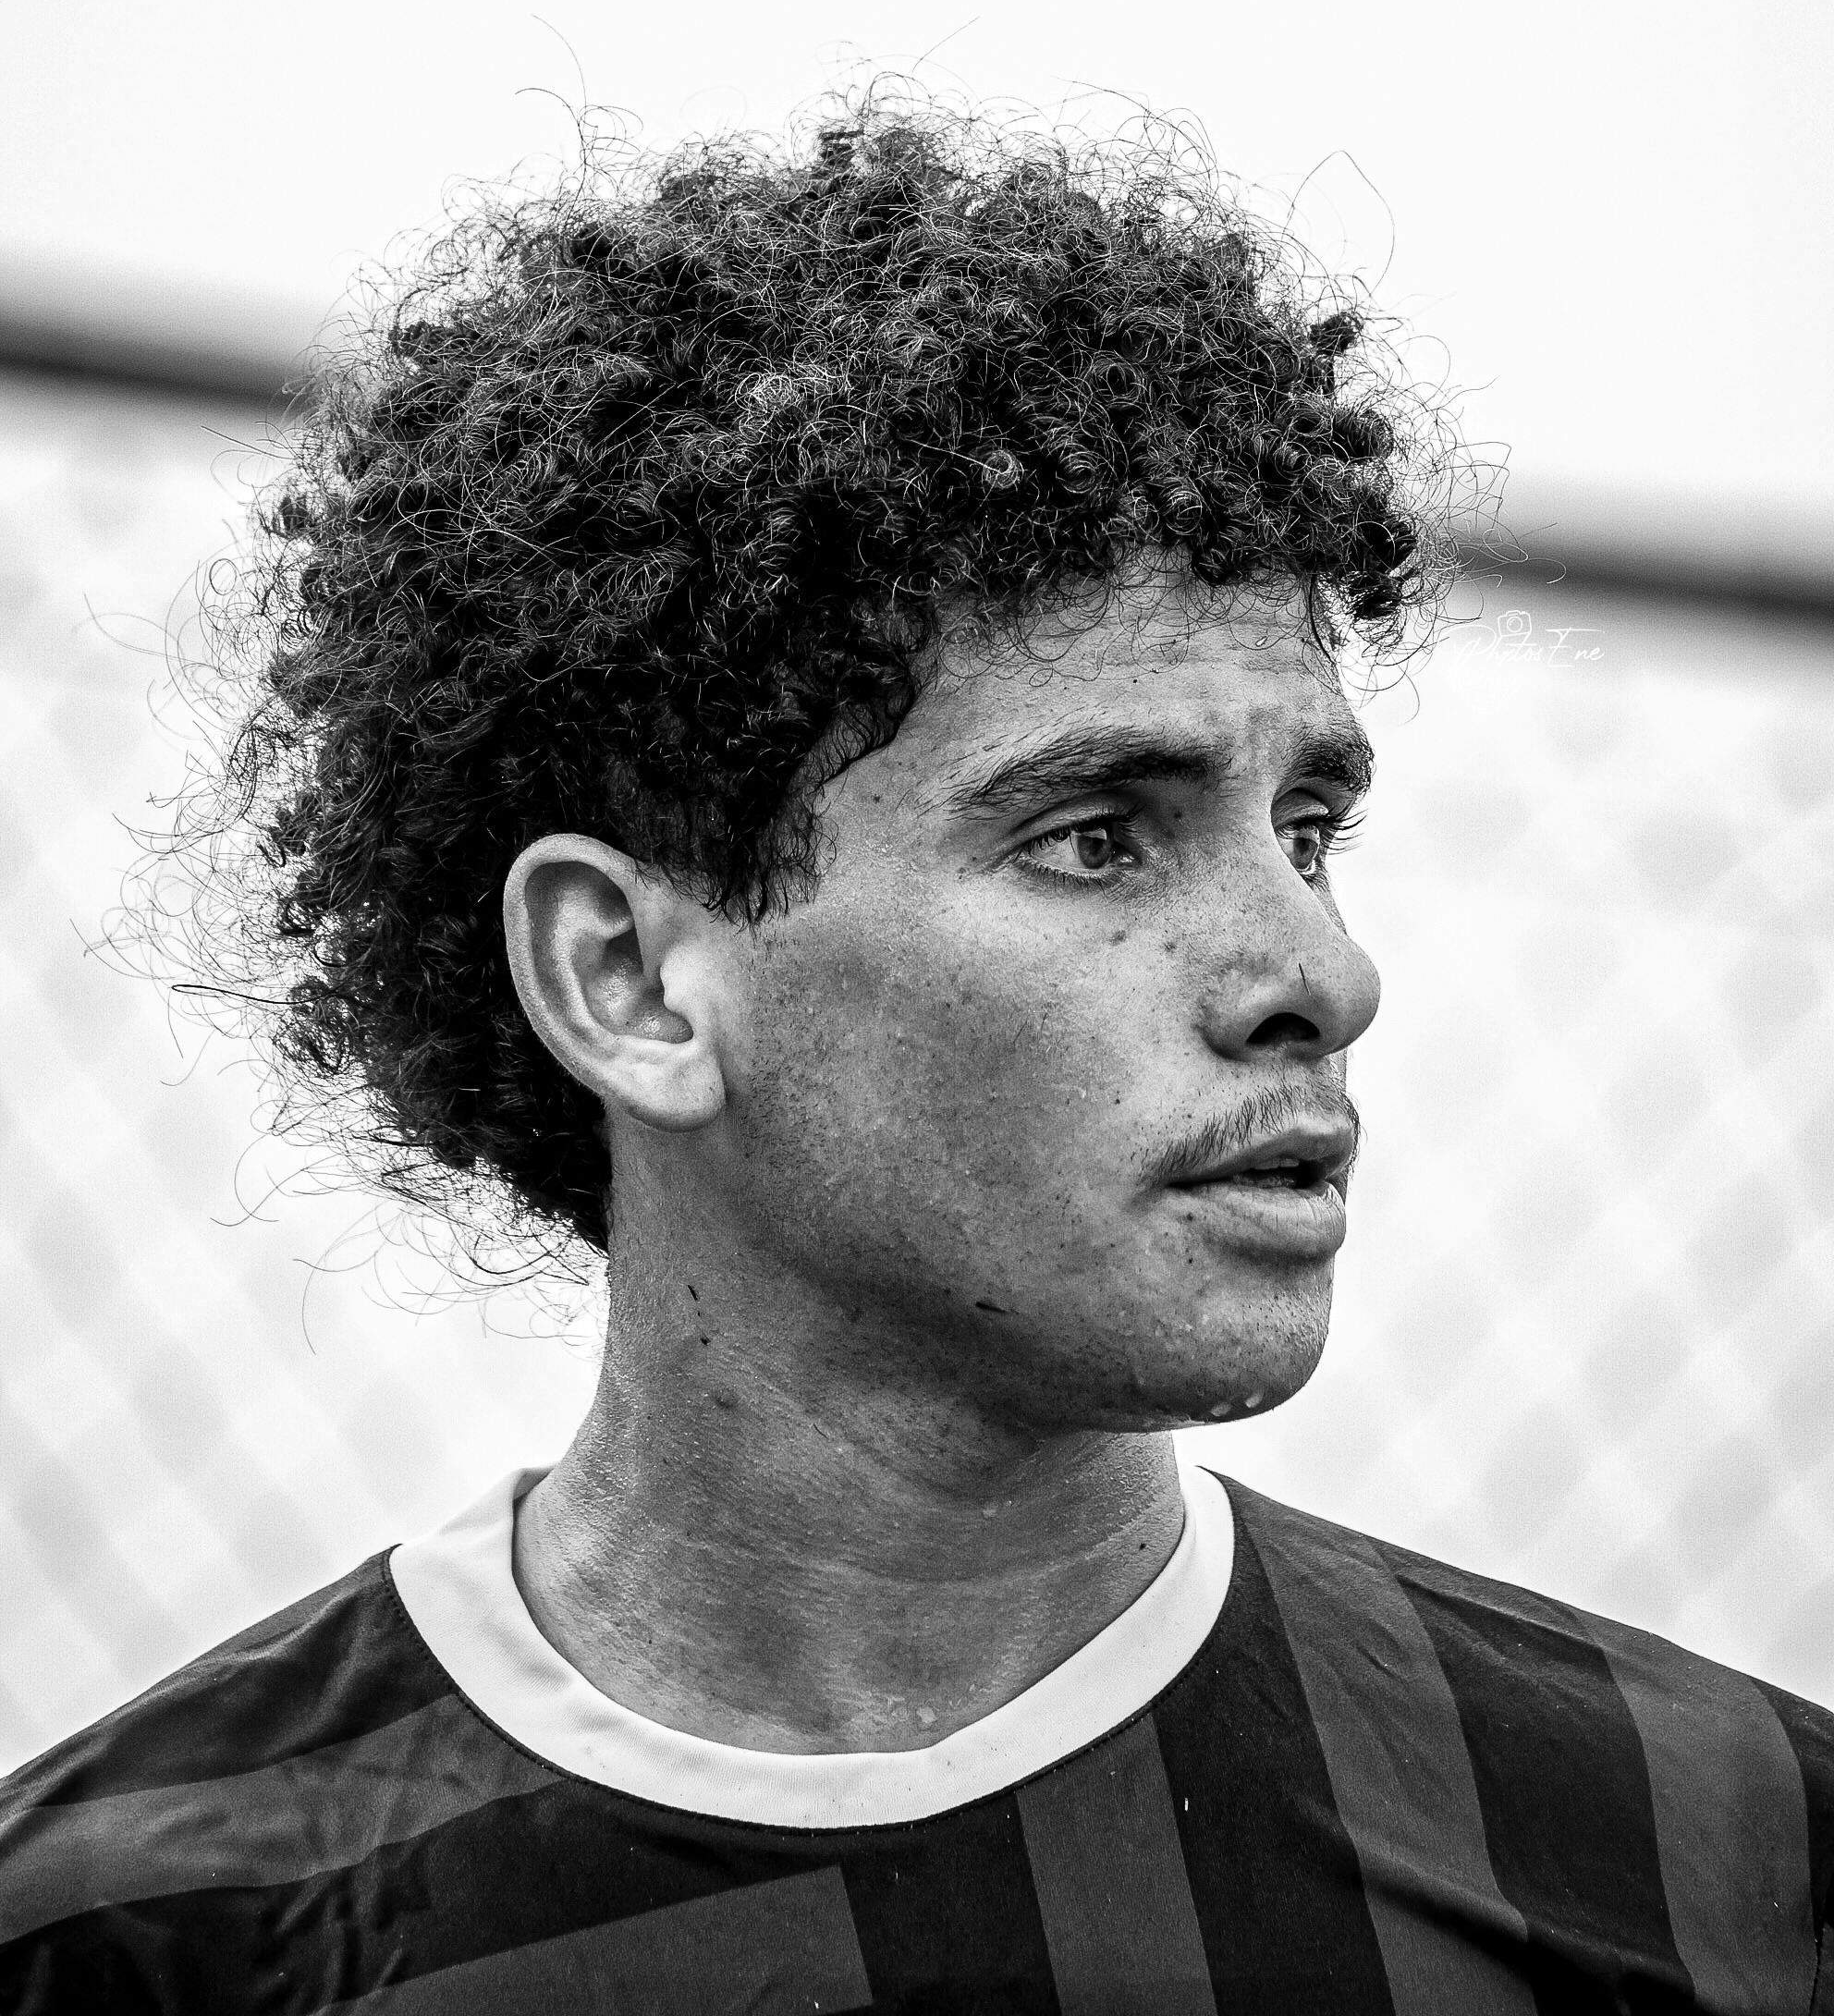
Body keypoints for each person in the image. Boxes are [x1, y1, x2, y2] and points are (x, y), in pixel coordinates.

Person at [1, 97, 1828, 2013]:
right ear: (627, 980)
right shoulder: (133, 1949)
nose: (1318, 970)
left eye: (1306, 826)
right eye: (1094, 835)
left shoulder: (1721, 1867)